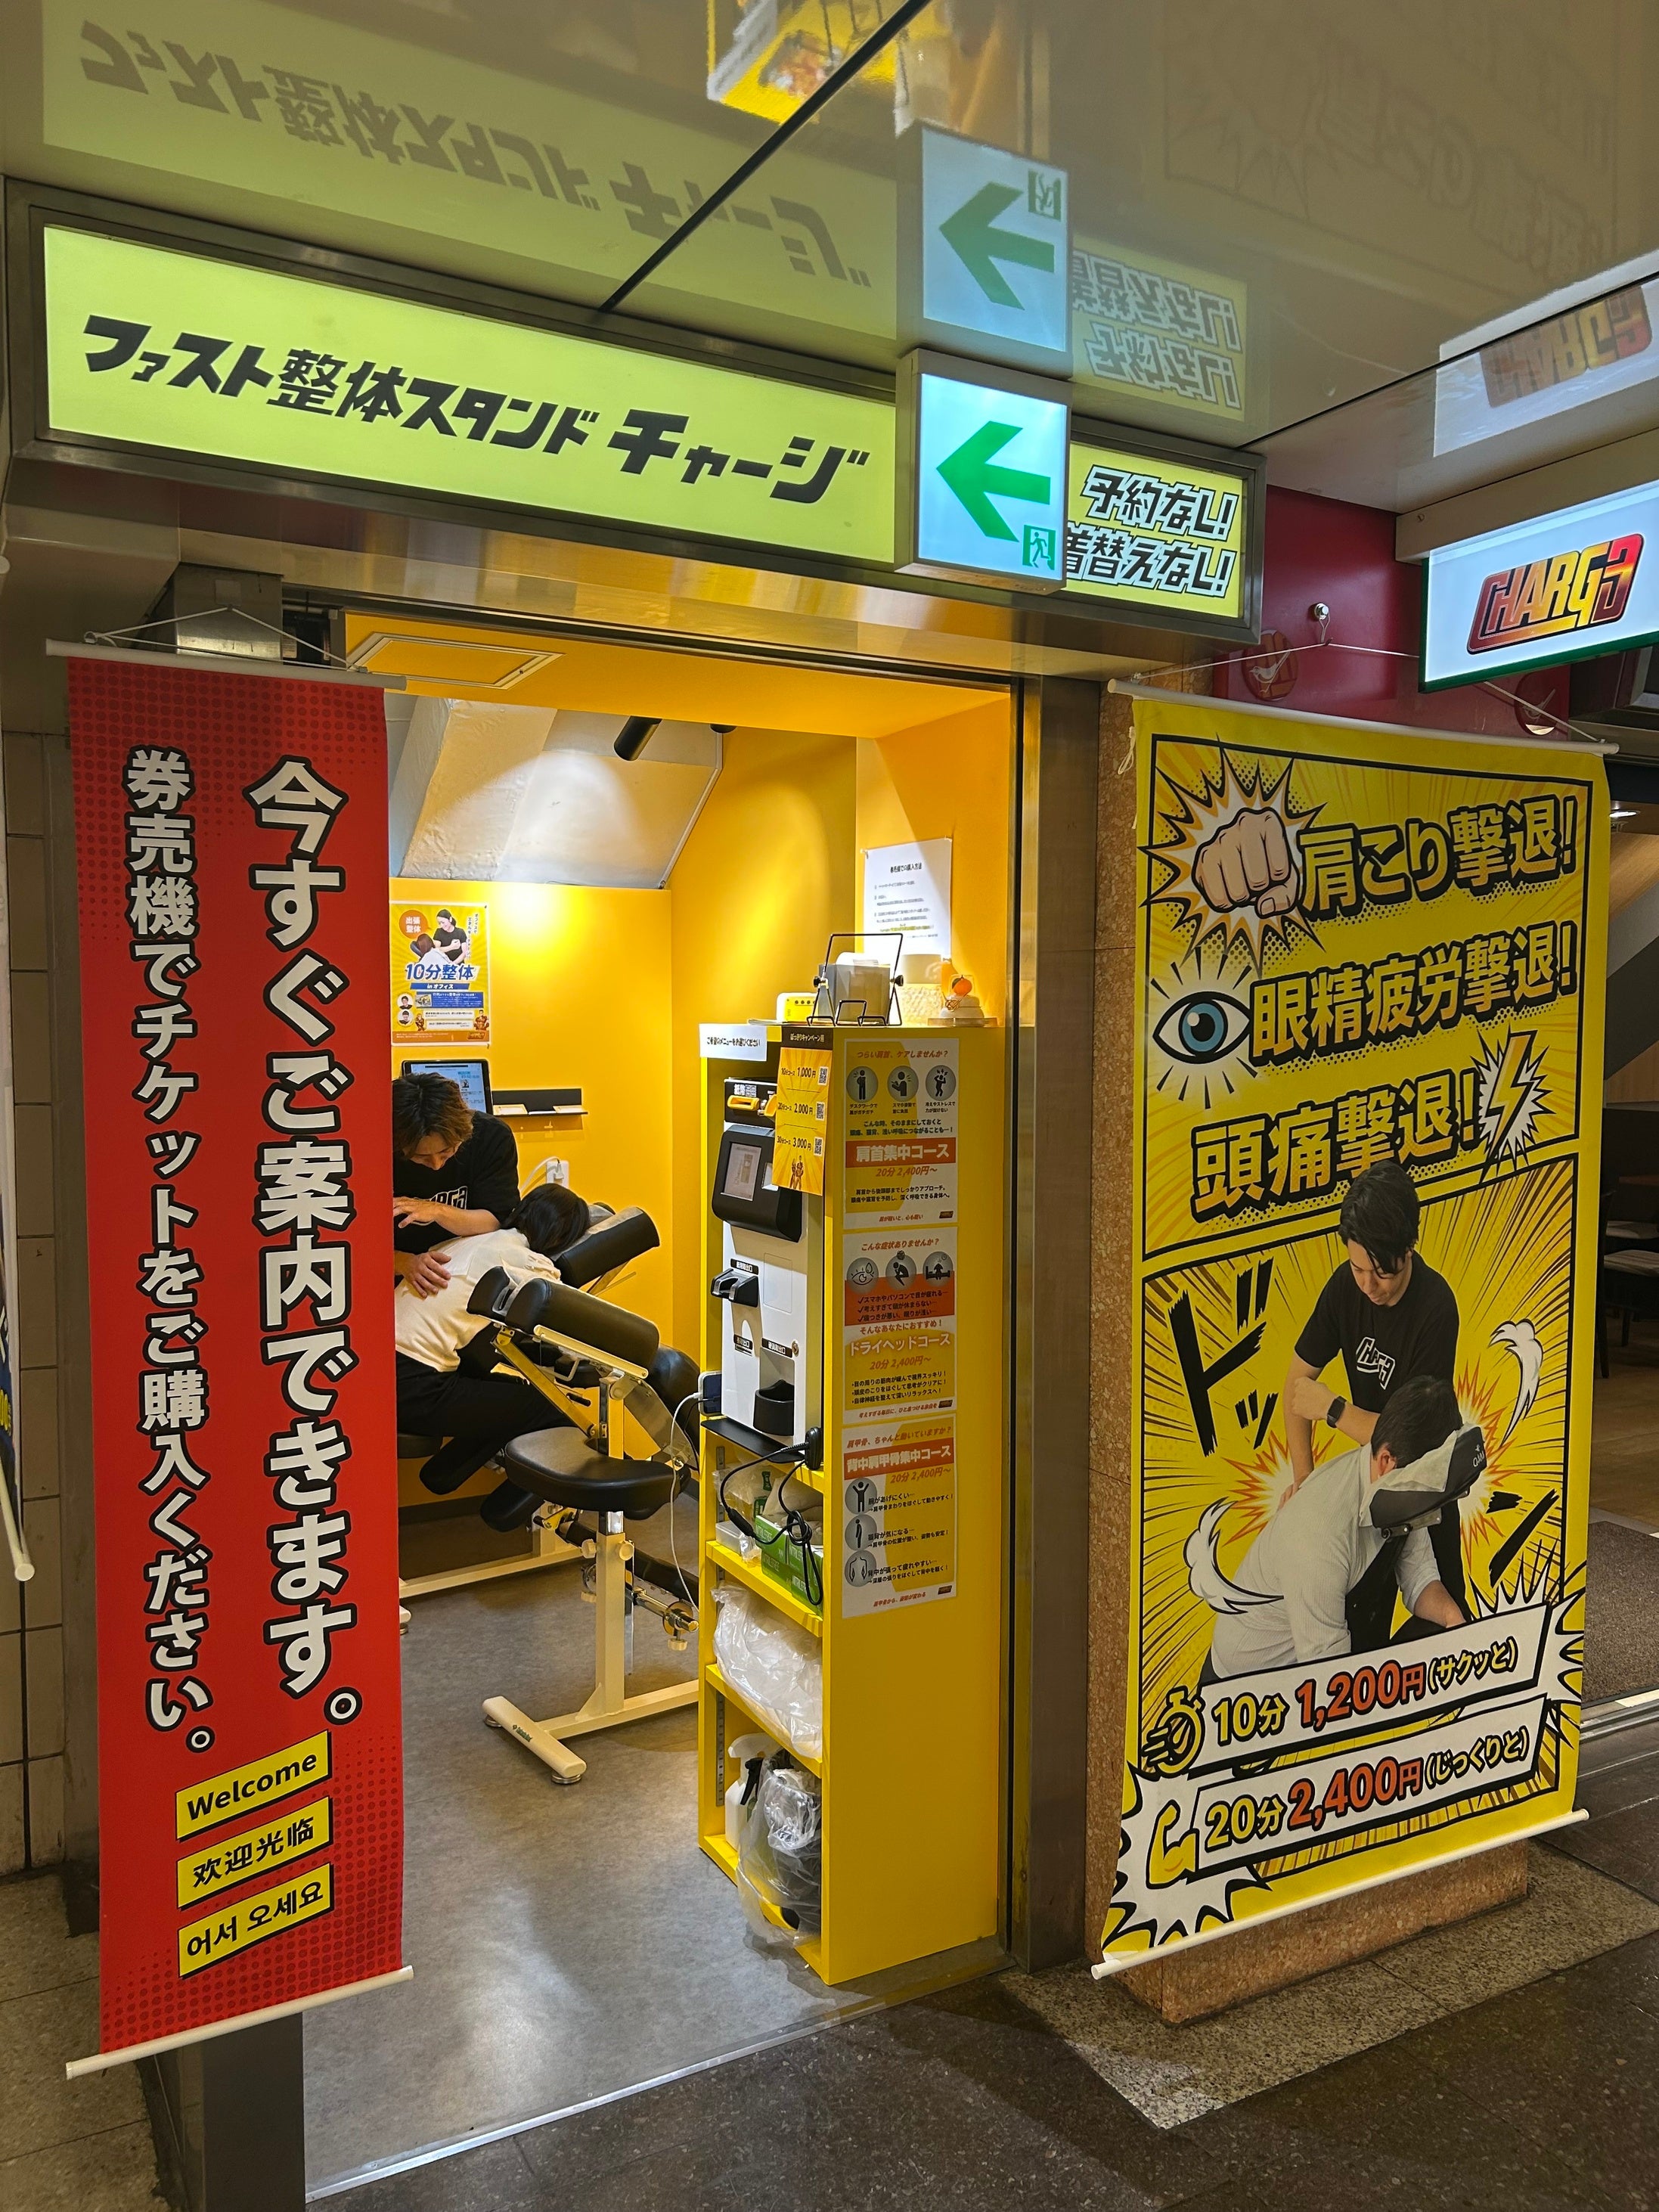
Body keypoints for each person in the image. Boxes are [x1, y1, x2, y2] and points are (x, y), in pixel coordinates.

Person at [1202, 1376, 1471, 1680]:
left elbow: (1419, 1576)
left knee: (1448, 1633)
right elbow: (1328, 1677)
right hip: (1248, 1688)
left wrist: (1454, 1622)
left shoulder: (1402, 1482)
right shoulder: (1318, 1538)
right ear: (1386, 1461)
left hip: (1322, 1656)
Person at [1284, 1159, 1464, 1610]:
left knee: (1445, 1624)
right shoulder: (1345, 1287)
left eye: (1381, 1273)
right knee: (1361, 1629)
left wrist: (1333, 1409)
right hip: (1370, 1487)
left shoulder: (1436, 1307)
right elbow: (1297, 1383)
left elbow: (1408, 1445)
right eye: (1357, 1268)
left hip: (1426, 1486)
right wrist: (1304, 1482)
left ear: (1408, 1249)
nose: (1367, 1285)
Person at [395, 1182, 592, 1496]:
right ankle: (513, 1507)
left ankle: (442, 1476)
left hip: (384, 1371)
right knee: (547, 1407)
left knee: (510, 1393)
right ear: (560, 1238)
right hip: (415, 1386)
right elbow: (570, 1325)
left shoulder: (465, 1241)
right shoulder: (528, 1263)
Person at [392, 1070, 521, 1298]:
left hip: (469, 1268)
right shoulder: (374, 1148)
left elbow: (495, 1219)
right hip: (395, 1269)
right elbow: (353, 1238)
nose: (436, 1165)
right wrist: (402, 1262)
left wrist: (437, 1211)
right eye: (421, 1157)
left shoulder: (491, 1136)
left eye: (446, 1152)